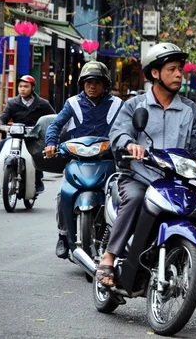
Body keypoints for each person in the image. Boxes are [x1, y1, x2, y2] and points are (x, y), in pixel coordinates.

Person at [95, 42, 196, 287]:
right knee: (134, 200)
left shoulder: (190, 109)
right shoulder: (135, 105)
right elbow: (119, 132)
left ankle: (186, 265)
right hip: (138, 176)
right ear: (155, 73)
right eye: (172, 69)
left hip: (174, 181)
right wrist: (129, 144)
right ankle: (109, 257)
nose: (179, 74)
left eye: (180, 69)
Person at [45, 61, 123, 259]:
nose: (92, 86)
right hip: (77, 160)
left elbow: (127, 128)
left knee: (122, 195)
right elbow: (55, 125)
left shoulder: (117, 104)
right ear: (82, 83)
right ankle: (63, 235)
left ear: (105, 83)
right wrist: (51, 143)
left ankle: (120, 238)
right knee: (63, 195)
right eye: (88, 82)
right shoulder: (72, 103)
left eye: (97, 81)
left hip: (107, 160)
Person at [0, 75, 55, 194]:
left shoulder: (43, 103)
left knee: (37, 152)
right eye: (20, 86)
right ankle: (0, 181)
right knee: (1, 146)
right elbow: (3, 118)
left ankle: (38, 181)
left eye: (26, 86)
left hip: (34, 137)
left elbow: (53, 118)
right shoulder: (12, 103)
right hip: (16, 136)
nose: (22, 89)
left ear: (32, 88)